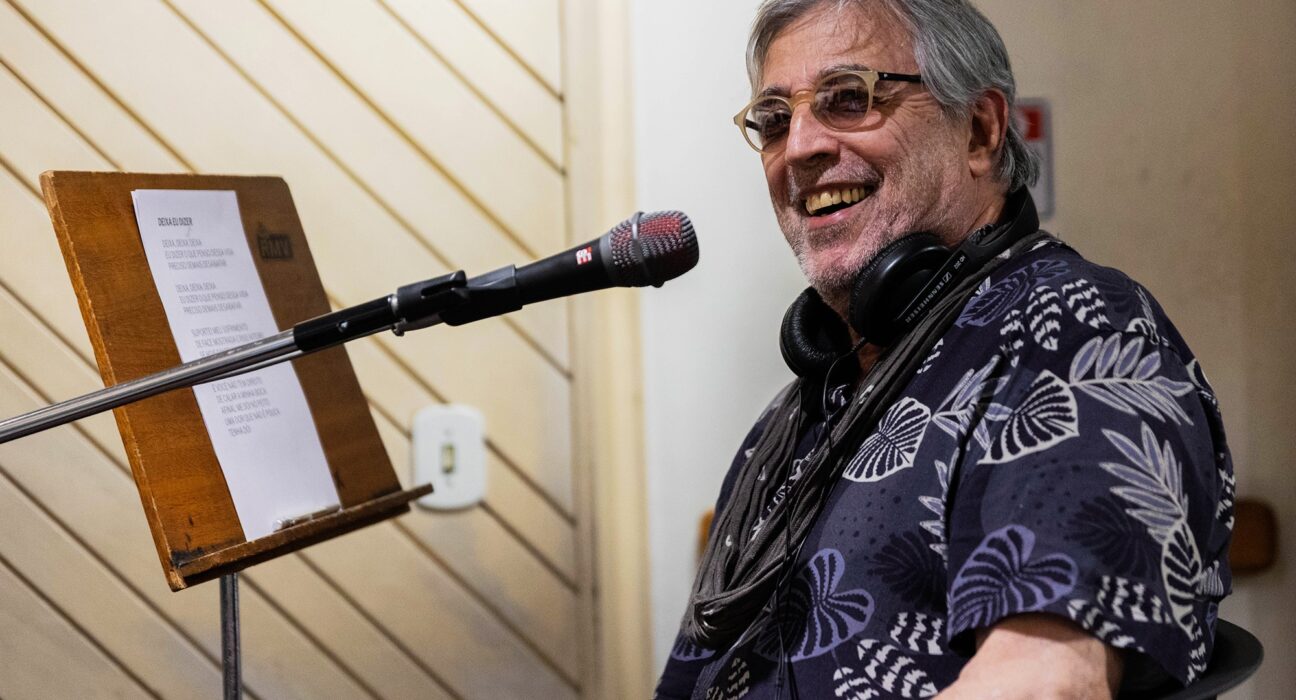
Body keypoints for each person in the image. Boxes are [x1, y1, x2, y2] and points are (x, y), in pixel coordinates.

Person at [655, 1, 1234, 698]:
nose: (799, 146)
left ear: (981, 130)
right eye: (774, 119)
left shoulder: (1077, 333)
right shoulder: (795, 414)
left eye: (848, 98)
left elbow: (1047, 683)